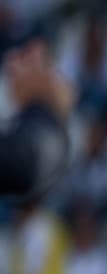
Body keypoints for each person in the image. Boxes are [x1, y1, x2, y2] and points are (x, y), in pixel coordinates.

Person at [0, 41, 74, 199]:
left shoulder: (46, 138)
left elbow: (28, 161)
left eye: (27, 60)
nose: (12, 61)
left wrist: (38, 100)